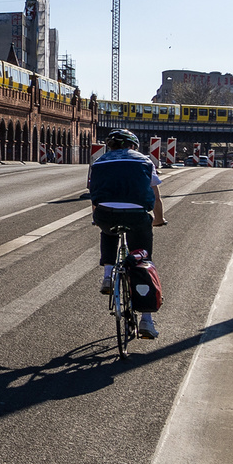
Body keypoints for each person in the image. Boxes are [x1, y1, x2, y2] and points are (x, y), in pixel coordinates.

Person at [88, 129, 165, 340]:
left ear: (110, 146)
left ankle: (108, 275)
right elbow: (156, 198)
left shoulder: (99, 163)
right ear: (133, 146)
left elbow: (94, 196)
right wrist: (158, 220)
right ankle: (147, 321)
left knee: (108, 230)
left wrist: (98, 218)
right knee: (143, 260)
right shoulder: (145, 161)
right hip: (136, 216)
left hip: (105, 213)